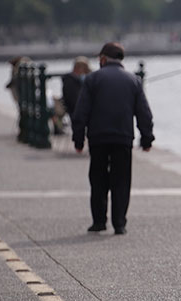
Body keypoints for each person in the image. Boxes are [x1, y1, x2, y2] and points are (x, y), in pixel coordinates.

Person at [72, 42, 154, 235]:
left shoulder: (92, 79)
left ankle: (99, 221)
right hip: (123, 138)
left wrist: (78, 139)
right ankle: (119, 223)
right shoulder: (133, 81)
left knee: (98, 179)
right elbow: (144, 113)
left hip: (98, 138)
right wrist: (146, 139)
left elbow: (81, 112)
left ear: (102, 59)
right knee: (122, 181)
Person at [61, 56, 91, 126]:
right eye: (85, 69)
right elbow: (74, 99)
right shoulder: (71, 81)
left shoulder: (70, 79)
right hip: (76, 111)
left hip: (74, 110)